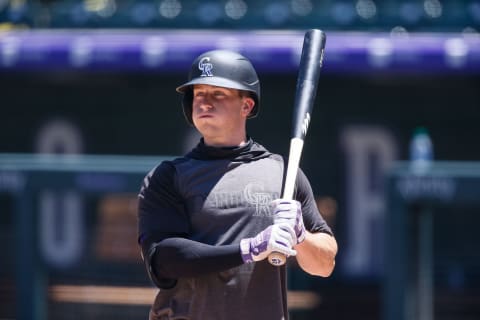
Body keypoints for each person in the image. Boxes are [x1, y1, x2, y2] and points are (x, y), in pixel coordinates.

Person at [137, 49, 338, 320]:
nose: (204, 102)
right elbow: (166, 260)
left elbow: (324, 265)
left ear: (247, 105)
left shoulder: (282, 173)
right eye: (198, 94)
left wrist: (301, 237)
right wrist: (250, 248)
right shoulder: (168, 177)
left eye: (217, 93)